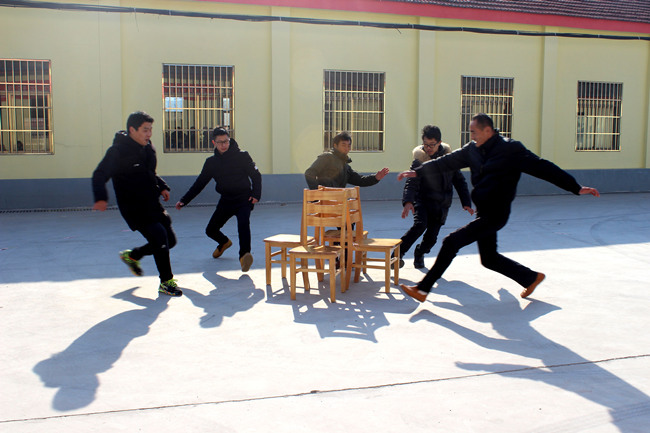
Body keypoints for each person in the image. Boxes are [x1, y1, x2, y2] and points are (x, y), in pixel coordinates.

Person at [397, 113, 600, 302]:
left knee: (451, 242)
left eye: (474, 132)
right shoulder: (472, 149)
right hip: (483, 212)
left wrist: (575, 187)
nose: (472, 136)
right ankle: (531, 278)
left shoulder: (511, 149)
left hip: (497, 213)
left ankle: (423, 289)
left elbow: (542, 167)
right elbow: (447, 161)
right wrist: (419, 172)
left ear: (488, 130)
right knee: (489, 258)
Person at [92, 111, 181, 297]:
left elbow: (150, 173)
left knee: (170, 241)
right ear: (132, 130)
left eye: (150, 130)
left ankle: (132, 256)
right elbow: (100, 174)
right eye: (145, 130)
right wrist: (100, 198)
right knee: (159, 236)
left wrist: (162, 186)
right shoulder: (117, 152)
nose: (149, 134)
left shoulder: (148, 148)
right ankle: (166, 282)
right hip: (133, 207)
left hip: (152, 203)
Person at [175, 127, 261, 272]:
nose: (224, 145)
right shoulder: (211, 162)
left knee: (243, 225)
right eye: (220, 142)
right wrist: (184, 200)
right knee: (210, 230)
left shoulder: (242, 156)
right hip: (226, 200)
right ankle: (224, 242)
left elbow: (256, 175)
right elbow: (200, 183)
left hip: (243, 198)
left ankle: (244, 256)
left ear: (229, 140)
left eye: (226, 141)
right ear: (214, 143)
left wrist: (256, 194)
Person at [397, 125, 473, 269]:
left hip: (441, 204)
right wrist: (408, 201)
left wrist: (466, 202)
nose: (428, 148)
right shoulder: (419, 160)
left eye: (432, 145)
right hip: (423, 201)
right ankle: (397, 254)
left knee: (431, 238)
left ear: (439, 143)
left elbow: (459, 181)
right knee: (420, 225)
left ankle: (420, 252)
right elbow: (411, 182)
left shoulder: (449, 160)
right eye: (426, 144)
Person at [304, 131, 389, 189]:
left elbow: (360, 180)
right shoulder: (326, 158)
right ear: (335, 145)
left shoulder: (345, 167)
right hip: (323, 202)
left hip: (337, 201)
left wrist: (375, 178)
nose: (346, 148)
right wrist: (317, 192)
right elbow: (309, 173)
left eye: (348, 145)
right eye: (343, 145)